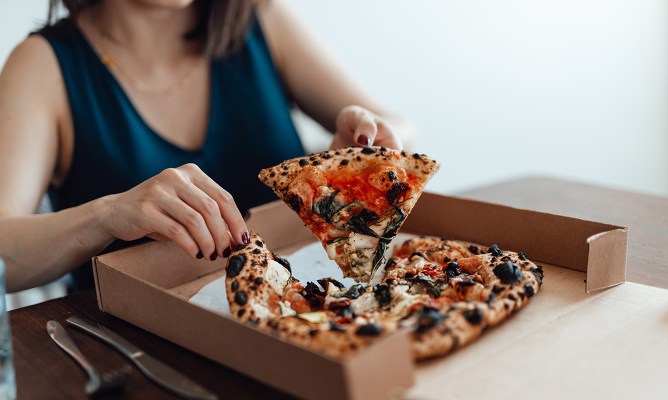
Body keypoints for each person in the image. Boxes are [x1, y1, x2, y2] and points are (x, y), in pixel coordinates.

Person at [0, 0, 413, 293]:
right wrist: (109, 214)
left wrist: (365, 148)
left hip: (305, 305)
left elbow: (399, 127)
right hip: (132, 350)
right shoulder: (41, 66)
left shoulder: (260, 16)